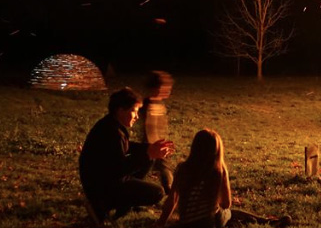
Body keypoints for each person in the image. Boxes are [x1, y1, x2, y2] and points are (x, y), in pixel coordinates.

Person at [156, 129, 290, 228]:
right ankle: (267, 222)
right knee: (228, 213)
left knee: (228, 213)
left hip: (186, 223)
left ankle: (266, 221)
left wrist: (161, 222)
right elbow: (226, 204)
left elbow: (172, 199)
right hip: (209, 223)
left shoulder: (183, 169)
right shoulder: (217, 171)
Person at [79, 87, 175, 224]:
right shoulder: (112, 132)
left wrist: (149, 148)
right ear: (120, 110)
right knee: (157, 192)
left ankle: (124, 204)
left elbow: (126, 146)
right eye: (134, 111)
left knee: (148, 158)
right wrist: (148, 154)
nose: (137, 116)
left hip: (102, 178)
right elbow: (118, 170)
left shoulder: (112, 125)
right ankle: (103, 205)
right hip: (99, 186)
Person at [140, 71, 175, 193]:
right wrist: (155, 144)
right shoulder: (149, 105)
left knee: (151, 166)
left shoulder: (158, 103)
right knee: (162, 166)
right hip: (153, 144)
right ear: (157, 88)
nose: (168, 91)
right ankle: (170, 188)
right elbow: (150, 127)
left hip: (158, 143)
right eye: (166, 88)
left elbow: (160, 124)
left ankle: (134, 183)